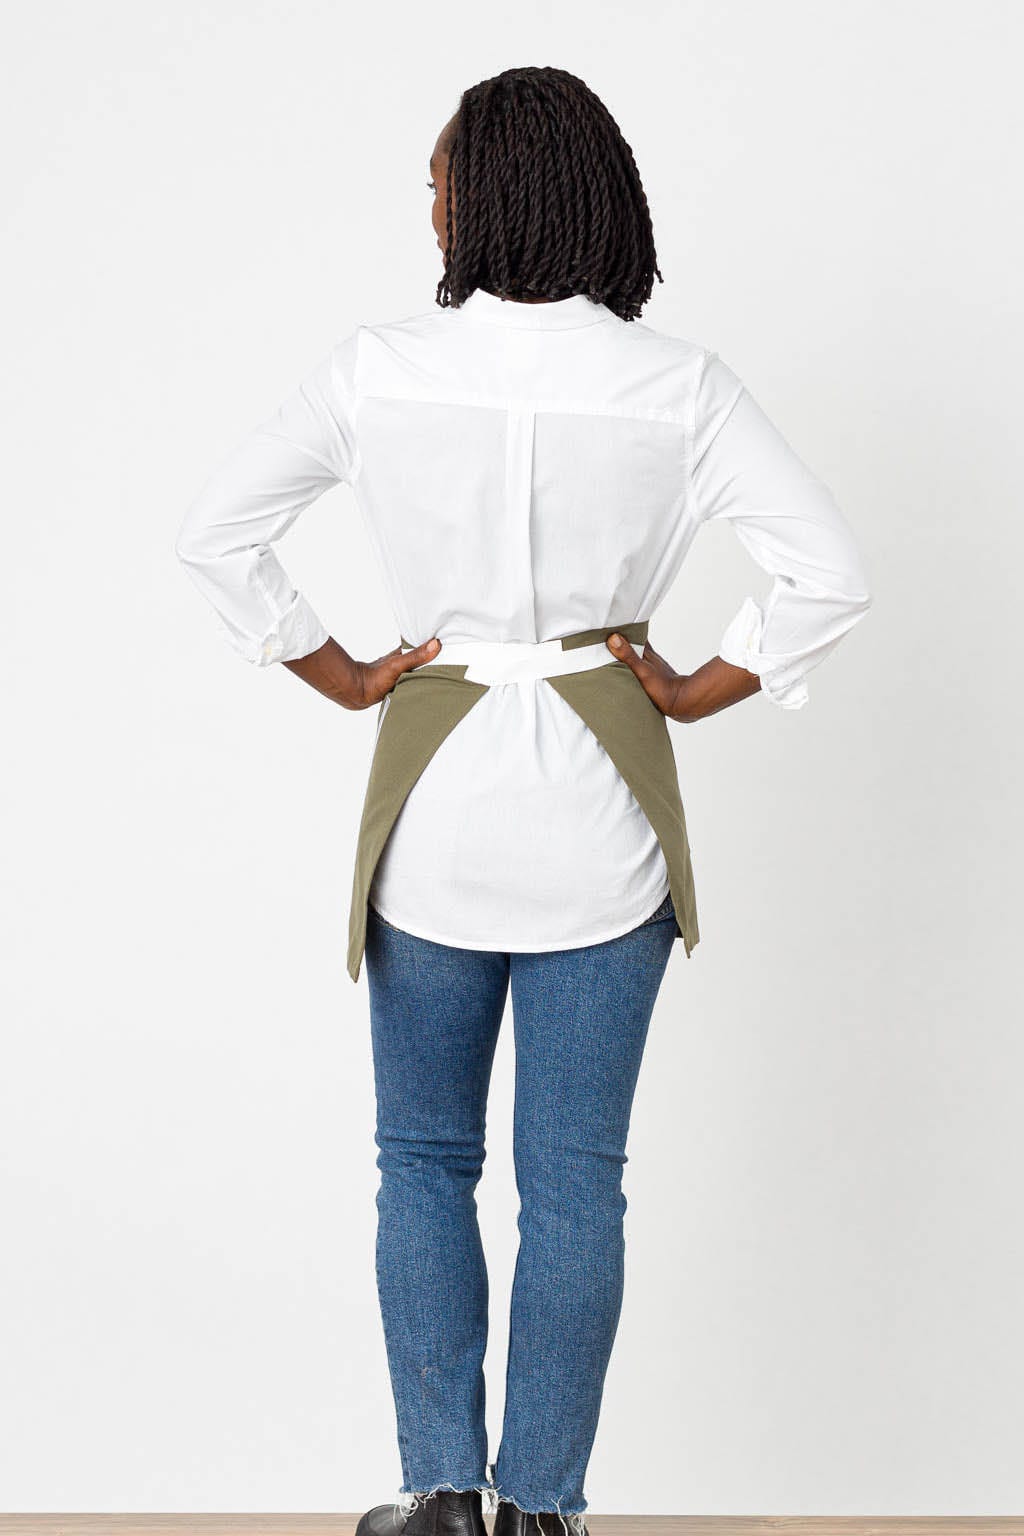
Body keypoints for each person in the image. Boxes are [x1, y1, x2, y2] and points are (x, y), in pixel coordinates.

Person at [175, 64, 872, 1536]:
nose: (427, 203)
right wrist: (698, 688)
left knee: (423, 1162)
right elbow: (829, 573)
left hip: (433, 812)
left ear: (487, 194)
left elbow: (216, 534)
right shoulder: (679, 386)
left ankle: (440, 1494)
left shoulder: (377, 370)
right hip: (604, 820)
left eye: (438, 179)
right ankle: (542, 1509)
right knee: (576, 1184)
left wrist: (342, 674)